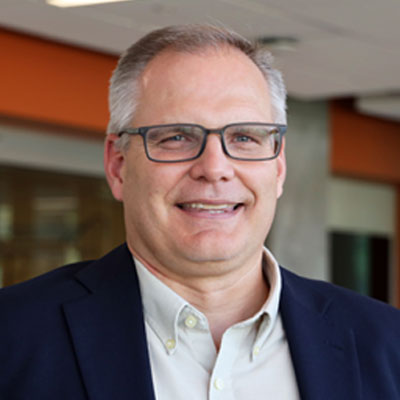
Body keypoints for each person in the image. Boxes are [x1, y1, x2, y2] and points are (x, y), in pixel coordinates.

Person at [1, 24, 399, 400]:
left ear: (277, 168)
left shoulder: (386, 344)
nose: (214, 168)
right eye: (176, 136)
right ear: (118, 165)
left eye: (244, 137)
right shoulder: (13, 338)